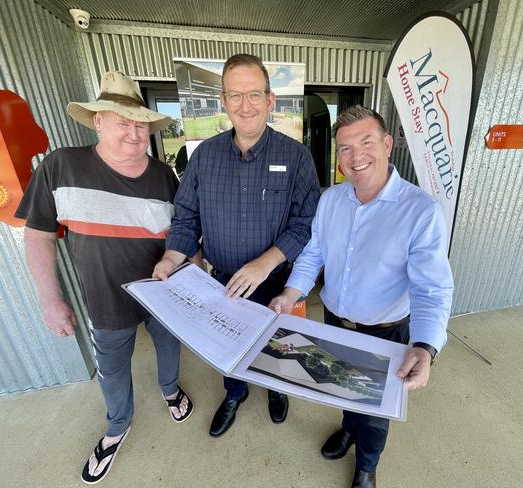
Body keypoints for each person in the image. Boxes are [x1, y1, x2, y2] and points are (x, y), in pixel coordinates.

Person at [15, 71, 196, 485]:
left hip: (162, 293)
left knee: (169, 345)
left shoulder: (164, 176)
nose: (134, 134)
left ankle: (170, 389)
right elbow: (39, 235)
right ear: (98, 121)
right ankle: (118, 426)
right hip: (103, 298)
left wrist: (194, 284)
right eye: (122, 122)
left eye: (140, 124)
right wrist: (50, 300)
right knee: (113, 366)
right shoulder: (61, 166)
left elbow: (182, 234)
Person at [270, 105, 454, 488]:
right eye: (345, 148)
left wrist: (425, 346)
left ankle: (367, 464)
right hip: (336, 322)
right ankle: (348, 429)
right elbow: (313, 253)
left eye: (366, 142)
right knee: (339, 383)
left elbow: (431, 287)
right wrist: (291, 292)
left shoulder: (420, 211)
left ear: (387, 144)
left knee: (374, 410)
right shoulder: (331, 200)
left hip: (385, 332)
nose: (356, 157)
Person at [153, 54, 320, 437]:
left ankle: (277, 390)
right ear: (224, 102)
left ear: (270, 100)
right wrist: (170, 258)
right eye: (235, 95)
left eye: (254, 95)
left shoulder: (296, 157)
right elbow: (186, 218)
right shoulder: (204, 157)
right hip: (221, 281)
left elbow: (305, 223)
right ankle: (235, 392)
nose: (246, 105)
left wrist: (265, 263)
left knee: (280, 348)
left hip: (278, 281)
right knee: (226, 348)